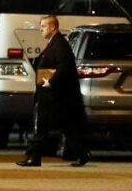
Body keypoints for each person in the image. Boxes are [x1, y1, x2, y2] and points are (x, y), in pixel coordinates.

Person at [17, 15, 90, 167]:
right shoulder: (54, 44)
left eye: (43, 26)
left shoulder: (60, 44)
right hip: (56, 96)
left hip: (56, 95)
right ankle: (82, 153)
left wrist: (51, 81)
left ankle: (33, 156)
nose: (41, 30)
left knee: (43, 126)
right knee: (68, 127)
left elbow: (64, 66)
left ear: (52, 27)